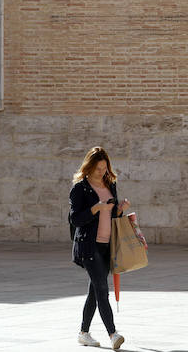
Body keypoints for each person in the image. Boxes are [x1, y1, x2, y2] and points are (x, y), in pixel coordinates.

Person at [69, 146, 129, 350]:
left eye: (104, 168)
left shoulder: (110, 184)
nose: (101, 172)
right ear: (90, 166)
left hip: (107, 245)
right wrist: (96, 208)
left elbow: (111, 216)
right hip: (89, 245)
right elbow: (74, 219)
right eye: (98, 169)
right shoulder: (80, 188)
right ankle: (113, 334)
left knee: (95, 291)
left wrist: (119, 211)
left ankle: (83, 333)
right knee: (102, 290)